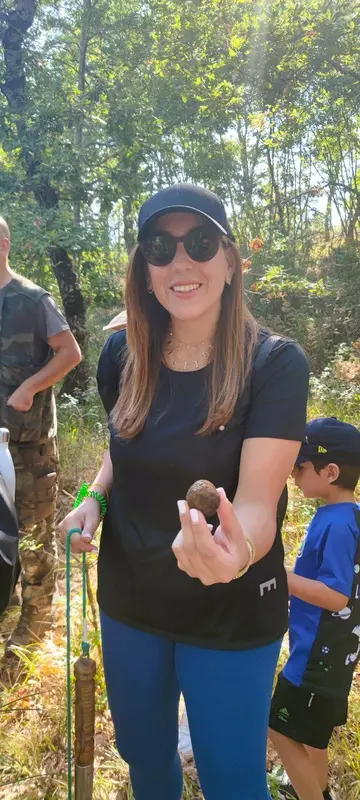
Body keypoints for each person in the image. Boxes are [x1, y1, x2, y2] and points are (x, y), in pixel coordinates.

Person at [60, 183, 309, 800]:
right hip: (131, 599)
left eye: (200, 243)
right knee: (143, 756)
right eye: (160, 247)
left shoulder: (274, 366)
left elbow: (257, 501)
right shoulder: (121, 353)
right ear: (144, 269)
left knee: (231, 779)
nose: (181, 262)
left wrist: (236, 554)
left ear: (230, 261)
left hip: (231, 608)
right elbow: (127, 448)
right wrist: (96, 498)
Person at [0, 216, 81, 659]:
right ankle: (9, 605)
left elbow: (70, 352)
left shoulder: (32, 299)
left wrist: (29, 387)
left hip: (27, 447)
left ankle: (36, 625)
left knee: (33, 537)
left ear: (4, 245)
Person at [269, 417, 360, 800]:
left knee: (279, 729)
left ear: (331, 471)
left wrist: (281, 576)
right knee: (313, 736)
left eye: (301, 465)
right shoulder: (342, 516)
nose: (293, 472)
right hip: (326, 653)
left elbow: (337, 595)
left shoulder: (339, 524)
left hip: (317, 657)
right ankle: (315, 787)